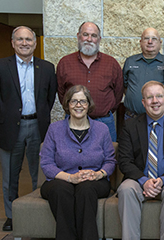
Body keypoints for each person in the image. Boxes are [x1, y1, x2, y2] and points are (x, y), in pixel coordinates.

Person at [0, 26, 57, 231]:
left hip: (38, 126)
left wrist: (39, 115)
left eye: (28, 39)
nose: (24, 43)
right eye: (20, 39)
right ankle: (11, 215)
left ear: (35, 43)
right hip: (10, 128)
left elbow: (49, 98)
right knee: (10, 175)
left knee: (40, 171)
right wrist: (3, 118)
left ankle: (37, 211)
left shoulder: (48, 67)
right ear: (13, 42)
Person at [117, 81, 164, 240]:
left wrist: (163, 179)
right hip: (139, 182)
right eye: (149, 97)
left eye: (159, 96)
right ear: (143, 103)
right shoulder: (130, 126)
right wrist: (144, 181)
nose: (155, 101)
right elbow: (124, 160)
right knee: (125, 188)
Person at [40, 85, 116, 240]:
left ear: (89, 105)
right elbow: (47, 163)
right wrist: (70, 178)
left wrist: (98, 174)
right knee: (60, 190)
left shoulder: (101, 129)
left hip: (94, 181)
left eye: (83, 101)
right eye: (74, 101)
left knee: (86, 189)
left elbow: (110, 161)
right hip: (61, 180)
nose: (78, 105)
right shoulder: (54, 129)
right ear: (67, 104)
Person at [56, 21, 123, 142]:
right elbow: (61, 93)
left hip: (104, 121)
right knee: (72, 157)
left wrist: (104, 110)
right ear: (78, 36)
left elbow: (118, 93)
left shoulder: (111, 63)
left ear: (99, 39)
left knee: (107, 157)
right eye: (85, 34)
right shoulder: (65, 63)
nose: (89, 39)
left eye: (94, 35)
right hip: (73, 121)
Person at [123, 27, 164, 120]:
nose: (150, 42)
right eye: (146, 38)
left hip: (159, 118)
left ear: (160, 43)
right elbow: (124, 86)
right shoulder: (130, 61)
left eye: (154, 38)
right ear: (140, 42)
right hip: (132, 117)